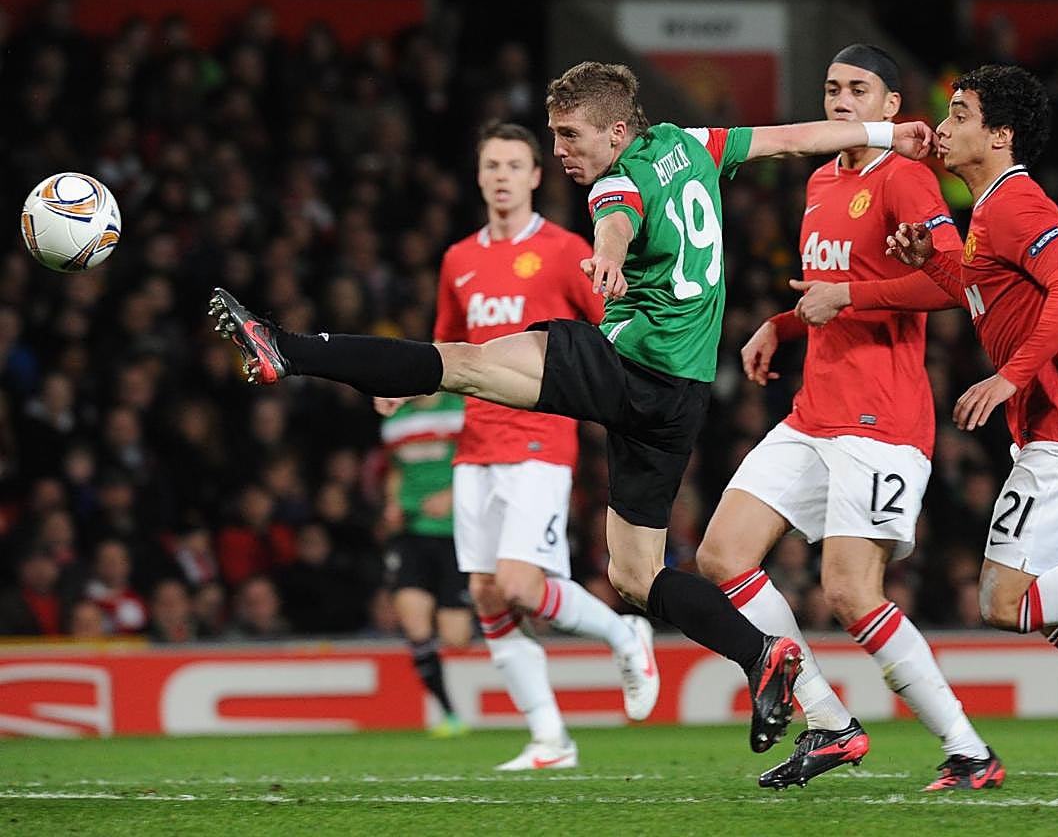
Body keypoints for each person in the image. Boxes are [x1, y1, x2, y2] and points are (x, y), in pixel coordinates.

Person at [209, 62, 937, 756]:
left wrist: (610, 253)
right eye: (554, 135)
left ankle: (288, 348)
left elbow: (615, 220)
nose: (559, 151)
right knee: (635, 574)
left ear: (616, 134)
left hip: (628, 364)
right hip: (680, 395)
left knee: (459, 363)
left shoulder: (614, 184)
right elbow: (793, 138)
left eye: (569, 136)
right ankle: (762, 654)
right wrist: (884, 135)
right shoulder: (694, 144)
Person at [796, 64, 1058, 799]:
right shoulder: (985, 212)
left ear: (1000, 133)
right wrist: (929, 268)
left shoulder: (1015, 202)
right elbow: (974, 287)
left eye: (958, 114)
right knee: (1054, 608)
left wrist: (1009, 375)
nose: (943, 129)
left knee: (1004, 599)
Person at [696, 44, 1000, 793]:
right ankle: (829, 722)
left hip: (883, 418)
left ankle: (969, 753)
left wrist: (848, 300)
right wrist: (783, 322)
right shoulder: (821, 179)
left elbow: (957, 284)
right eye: (831, 89)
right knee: (720, 554)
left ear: (891, 107)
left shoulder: (906, 178)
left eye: (857, 90)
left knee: (850, 592)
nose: (840, 102)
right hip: (814, 412)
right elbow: (831, 288)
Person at [428, 122, 658, 770]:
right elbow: (451, 349)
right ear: (479, 177)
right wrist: (403, 391)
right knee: (486, 594)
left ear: (535, 176)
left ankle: (625, 631)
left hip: (541, 437)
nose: (501, 175)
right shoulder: (458, 261)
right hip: (476, 445)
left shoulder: (563, 252)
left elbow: (612, 324)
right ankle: (549, 738)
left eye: (514, 164)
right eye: (491, 164)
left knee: (521, 584)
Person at [375, 391, 473, 739]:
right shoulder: (395, 421)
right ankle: (449, 714)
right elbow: (396, 470)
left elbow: (482, 461)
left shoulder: (461, 411)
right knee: (414, 623)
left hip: (455, 533)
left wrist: (453, 494)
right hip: (411, 532)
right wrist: (392, 503)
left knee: (456, 636)